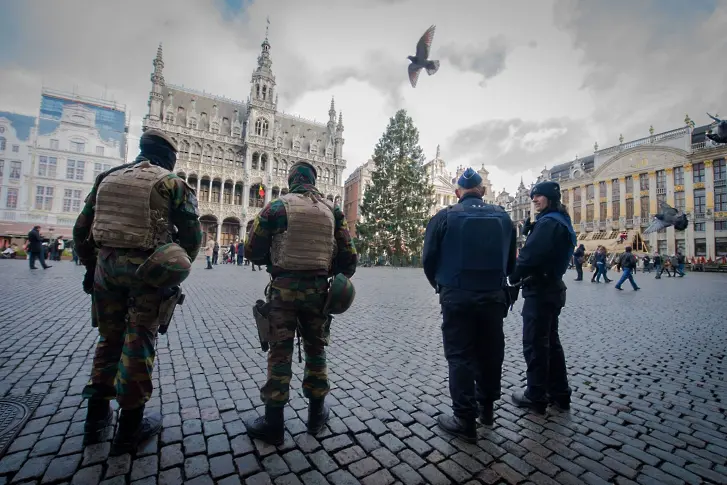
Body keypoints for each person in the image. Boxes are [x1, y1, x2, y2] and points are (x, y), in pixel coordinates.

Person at [73, 129, 202, 455]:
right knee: (138, 343)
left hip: (106, 270)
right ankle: (130, 427)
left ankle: (95, 420)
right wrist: (172, 265)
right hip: (147, 273)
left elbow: (81, 230)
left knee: (109, 338)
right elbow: (191, 238)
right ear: (170, 158)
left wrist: (92, 268)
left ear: (141, 150)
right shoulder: (172, 184)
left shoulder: (108, 178)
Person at [243, 161, 357, 445]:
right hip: (318, 293)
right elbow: (349, 259)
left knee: (279, 353)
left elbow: (252, 250)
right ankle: (316, 416)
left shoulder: (277, 207)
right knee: (316, 350)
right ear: (314, 181)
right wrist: (325, 271)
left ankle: (274, 423)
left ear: (291, 179)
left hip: (282, 291)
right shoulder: (333, 211)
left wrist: (275, 263)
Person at [422, 167, 516, 442]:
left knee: (460, 355)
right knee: (490, 352)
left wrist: (441, 286)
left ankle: (464, 418)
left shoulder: (444, 216)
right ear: (483, 191)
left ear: (457, 193)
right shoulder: (502, 217)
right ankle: (487, 410)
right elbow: (511, 262)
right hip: (493, 298)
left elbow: (429, 259)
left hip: (457, 297)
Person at [509, 180, 576, 414]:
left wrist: (513, 274)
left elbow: (529, 257)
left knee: (535, 344)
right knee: (551, 344)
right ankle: (560, 394)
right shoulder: (560, 219)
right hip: (553, 288)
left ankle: (536, 395)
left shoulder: (548, 223)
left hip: (541, 290)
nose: (534, 200)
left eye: (539, 196)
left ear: (550, 198)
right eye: (533, 196)